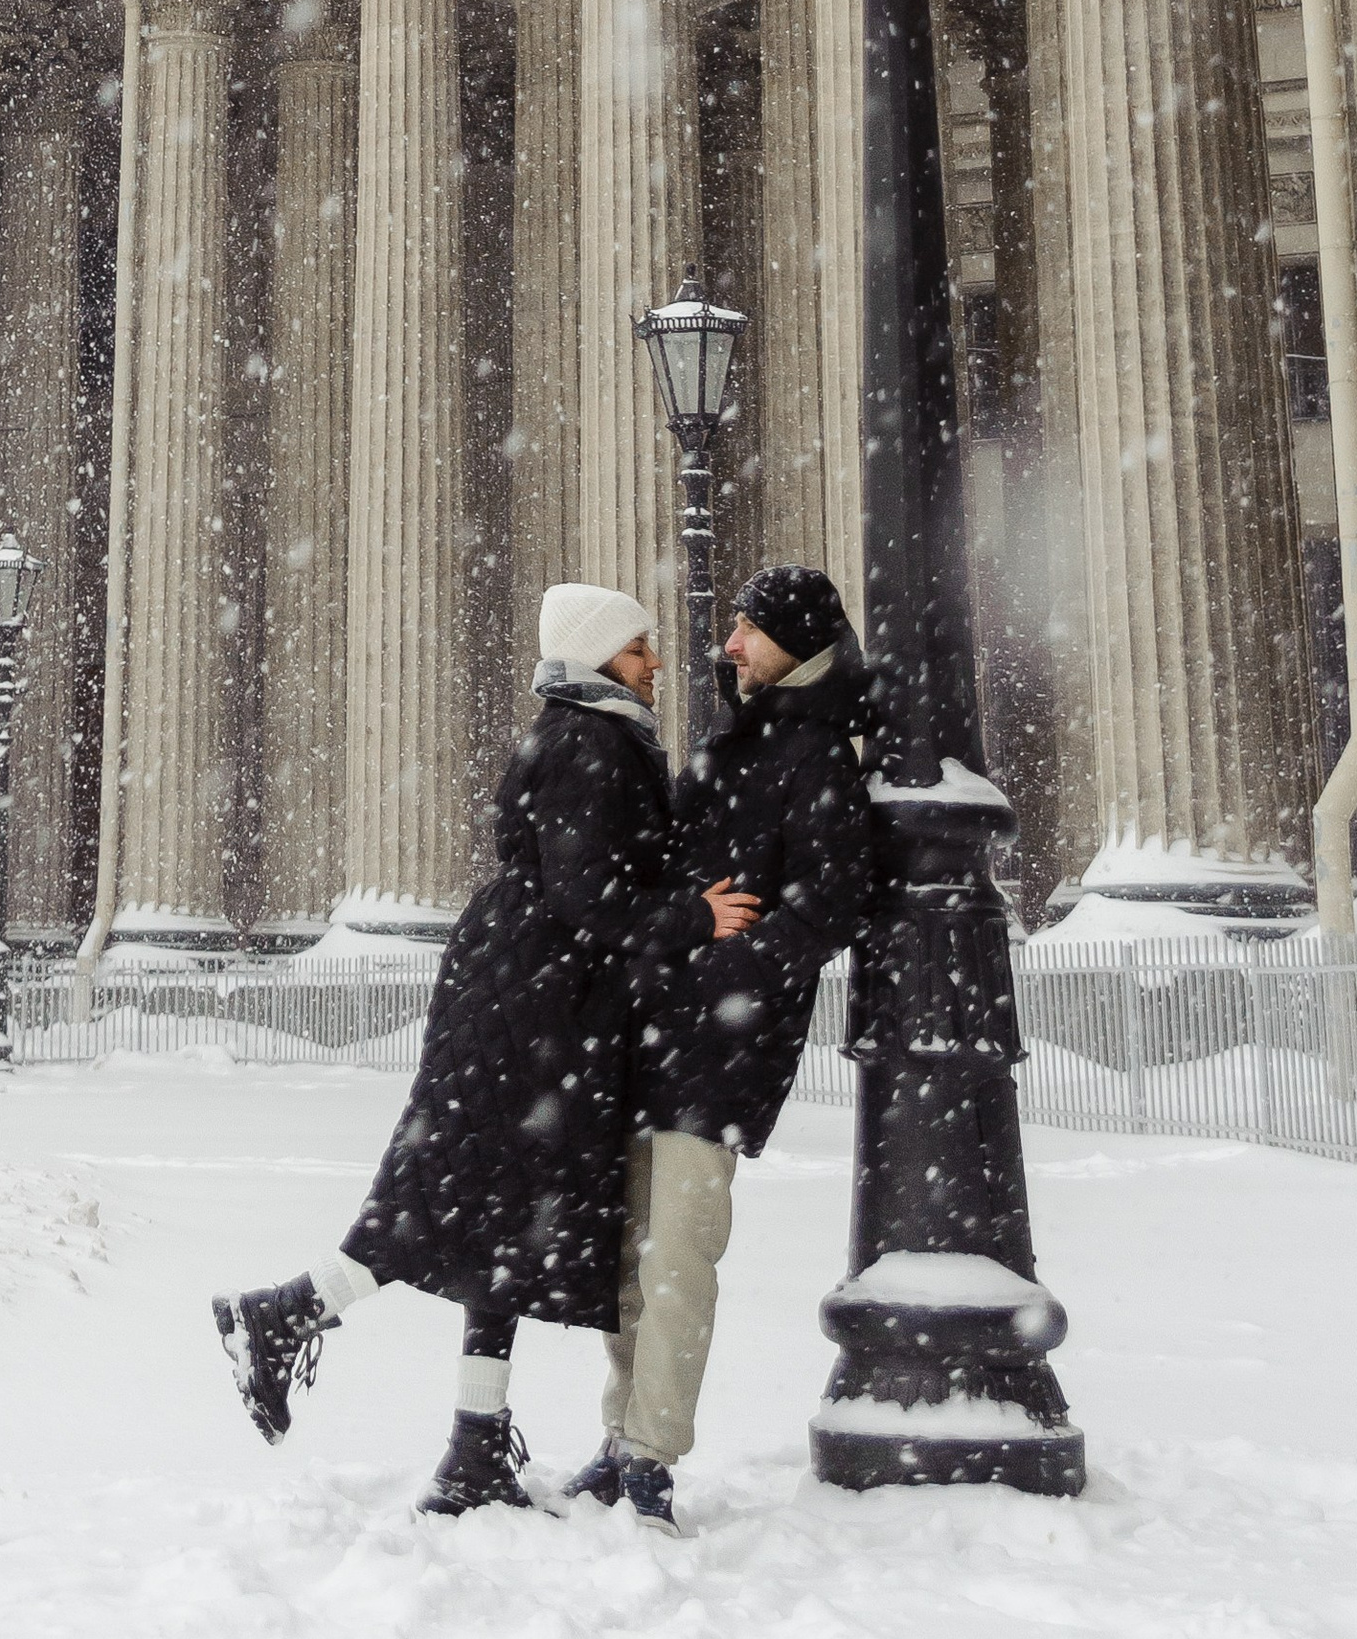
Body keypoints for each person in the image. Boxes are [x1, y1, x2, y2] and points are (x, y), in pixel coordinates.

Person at [214, 582, 756, 1518]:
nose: (653, 663)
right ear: (597, 658)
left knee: (499, 1221)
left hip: (531, 999)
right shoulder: (591, 743)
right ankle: (282, 1311)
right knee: (447, 1200)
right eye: (637, 649)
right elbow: (592, 898)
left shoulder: (588, 732)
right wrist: (693, 916)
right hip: (530, 1010)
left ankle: (473, 1449)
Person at [560, 562, 876, 1532]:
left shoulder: (816, 754)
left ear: (795, 641)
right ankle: (620, 1439)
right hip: (657, 1024)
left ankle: (651, 1453)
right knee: (624, 1254)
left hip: (724, 1042)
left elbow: (832, 902)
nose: (726, 644)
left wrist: (729, 963)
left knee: (678, 1256)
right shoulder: (733, 743)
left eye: (747, 629)